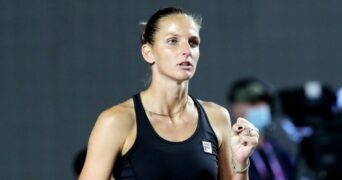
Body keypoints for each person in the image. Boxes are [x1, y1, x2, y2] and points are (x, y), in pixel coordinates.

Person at [79, 7, 259, 180]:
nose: (187, 51)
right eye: (173, 41)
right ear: (148, 53)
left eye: (193, 42)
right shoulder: (117, 121)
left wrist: (241, 162)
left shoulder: (216, 117)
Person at [227, 77, 296, 180]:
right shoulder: (229, 152)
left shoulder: (278, 151)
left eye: (264, 103)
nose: (261, 107)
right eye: (253, 103)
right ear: (236, 108)